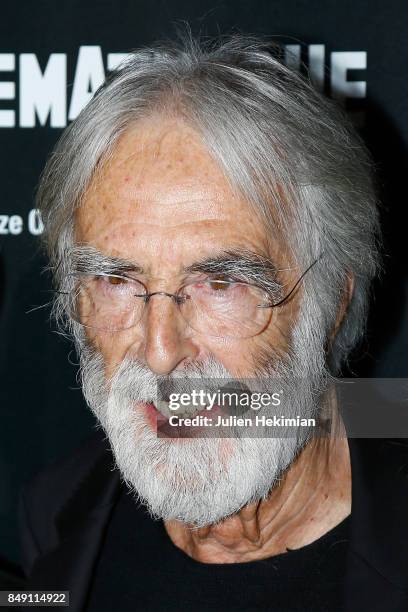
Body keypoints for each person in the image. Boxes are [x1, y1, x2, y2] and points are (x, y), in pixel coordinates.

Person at [19, 35, 408, 611]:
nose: (158, 352)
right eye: (117, 281)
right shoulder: (56, 511)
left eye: (220, 283)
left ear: (332, 304)